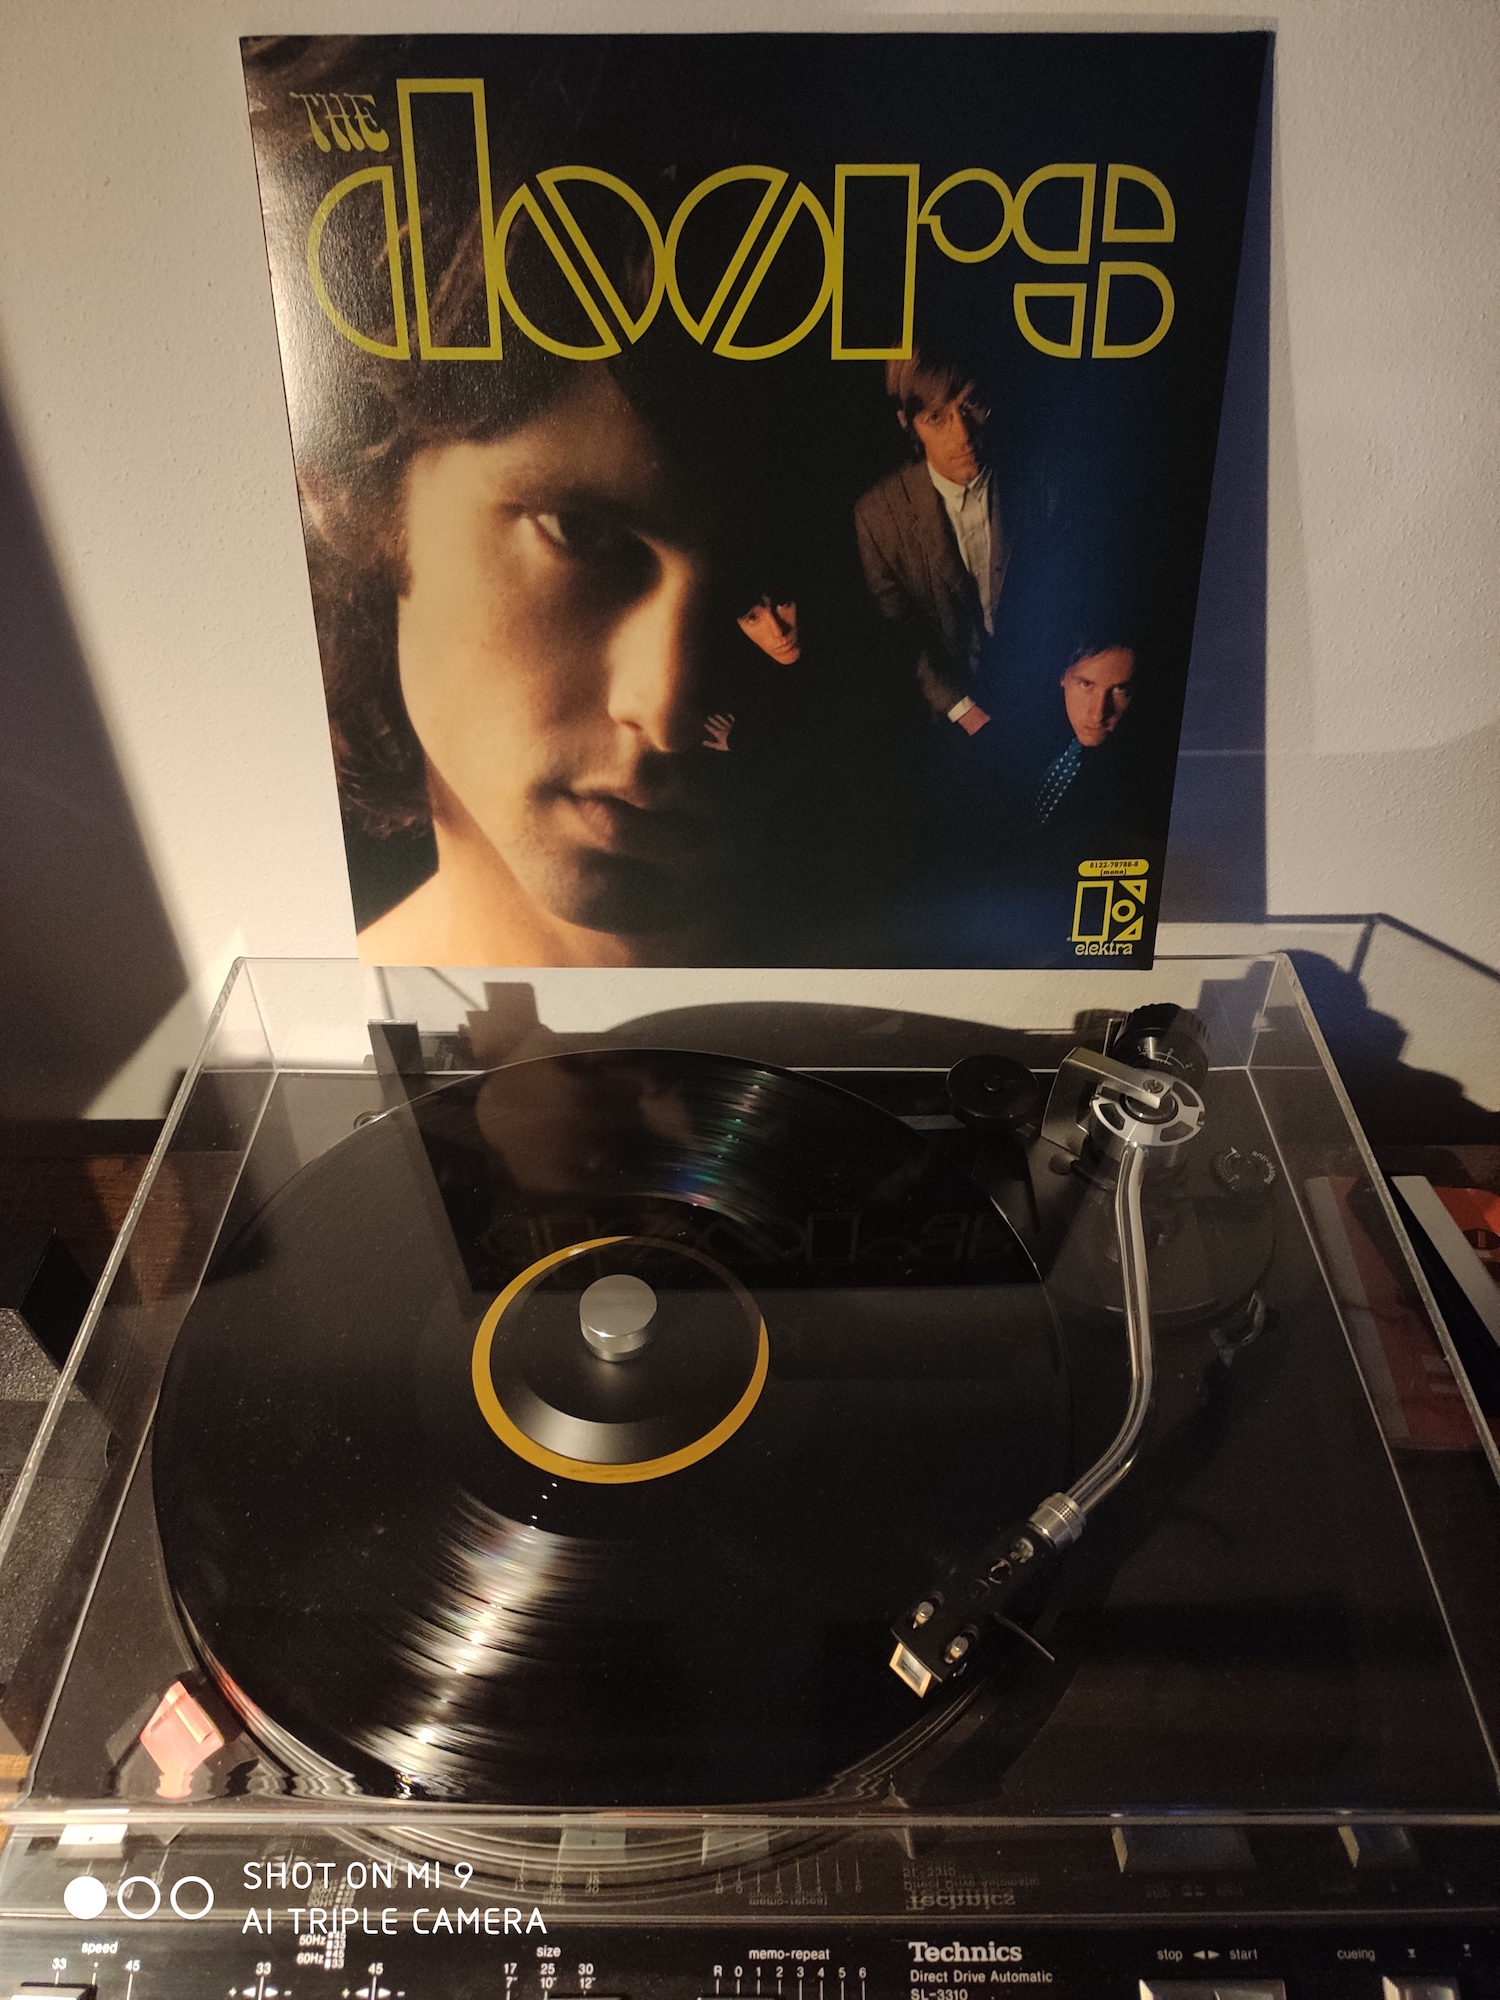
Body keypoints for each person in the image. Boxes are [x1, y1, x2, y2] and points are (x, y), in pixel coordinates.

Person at [853, 349, 1008, 737]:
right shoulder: (878, 516)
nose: (963, 435)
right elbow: (901, 636)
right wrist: (965, 711)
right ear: (907, 423)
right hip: (944, 720)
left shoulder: (1043, 487)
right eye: (936, 418)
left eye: (971, 404)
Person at [1034, 642, 1137, 834]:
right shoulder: (1028, 731)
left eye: (1120, 690)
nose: (1098, 714)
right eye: (1086, 684)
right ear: (1062, 676)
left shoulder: (1134, 783)